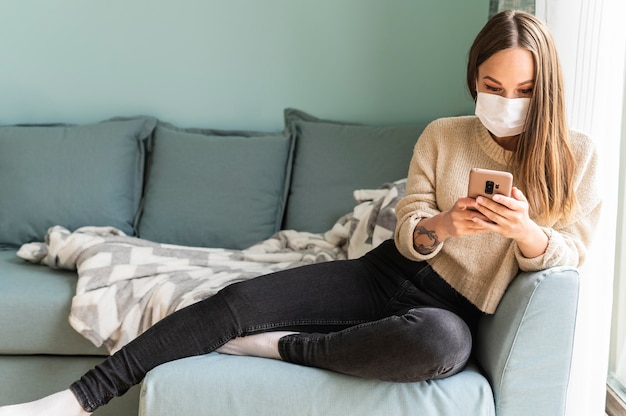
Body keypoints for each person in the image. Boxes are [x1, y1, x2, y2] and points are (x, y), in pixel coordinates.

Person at [0, 9, 601, 416]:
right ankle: (76, 400)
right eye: (492, 86)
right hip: (386, 272)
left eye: (522, 92)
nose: (505, 103)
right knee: (237, 301)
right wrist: (446, 224)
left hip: (452, 309)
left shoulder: (576, 155)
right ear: (475, 78)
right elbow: (414, 215)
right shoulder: (444, 134)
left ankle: (282, 346)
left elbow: (571, 250)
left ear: (545, 89)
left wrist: (526, 232)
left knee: (442, 345)